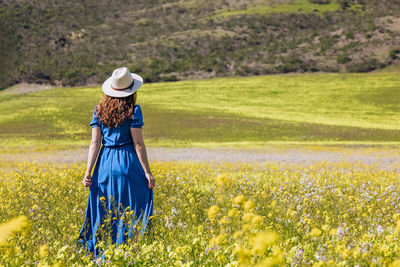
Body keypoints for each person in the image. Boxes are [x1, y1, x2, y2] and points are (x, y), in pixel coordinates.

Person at [76, 67, 156, 259]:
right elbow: (138, 144)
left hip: (104, 163)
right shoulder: (134, 110)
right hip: (128, 162)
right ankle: (129, 249)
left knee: (104, 209)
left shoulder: (99, 110)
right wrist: (147, 172)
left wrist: (88, 172)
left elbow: (95, 143)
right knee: (132, 206)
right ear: (132, 91)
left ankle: (100, 253)